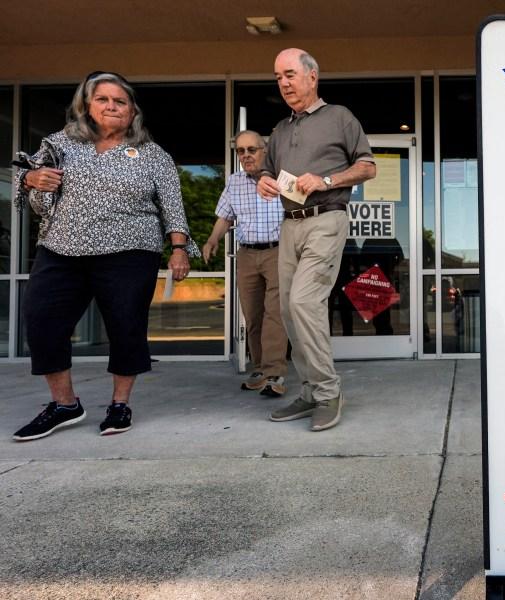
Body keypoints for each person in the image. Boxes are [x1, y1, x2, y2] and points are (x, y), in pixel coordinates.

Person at [12, 71, 199, 441]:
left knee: (125, 328)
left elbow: (173, 207)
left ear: (133, 112)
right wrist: (32, 180)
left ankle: (119, 404)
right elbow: (26, 176)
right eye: (103, 100)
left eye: (120, 102)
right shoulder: (61, 143)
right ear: (87, 105)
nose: (112, 107)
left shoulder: (152, 154)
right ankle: (64, 404)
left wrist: (179, 249)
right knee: (42, 320)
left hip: (130, 251)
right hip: (62, 248)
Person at [257, 48, 376, 431]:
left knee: (304, 302)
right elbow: (268, 171)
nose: (284, 83)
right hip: (289, 223)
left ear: (312, 76)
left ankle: (327, 392)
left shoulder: (339, 117)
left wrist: (326, 180)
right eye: (278, 77)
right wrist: (263, 180)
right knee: (290, 312)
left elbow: (368, 166)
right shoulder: (280, 130)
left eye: (290, 74)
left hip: (326, 218)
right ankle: (310, 390)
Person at [203, 130, 288, 397]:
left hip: (277, 252)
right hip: (247, 255)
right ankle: (261, 368)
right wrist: (212, 239)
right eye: (241, 151)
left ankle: (275, 373)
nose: (246, 155)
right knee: (252, 315)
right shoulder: (235, 181)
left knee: (275, 313)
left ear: (264, 150)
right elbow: (225, 216)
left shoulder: (281, 179)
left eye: (252, 149)